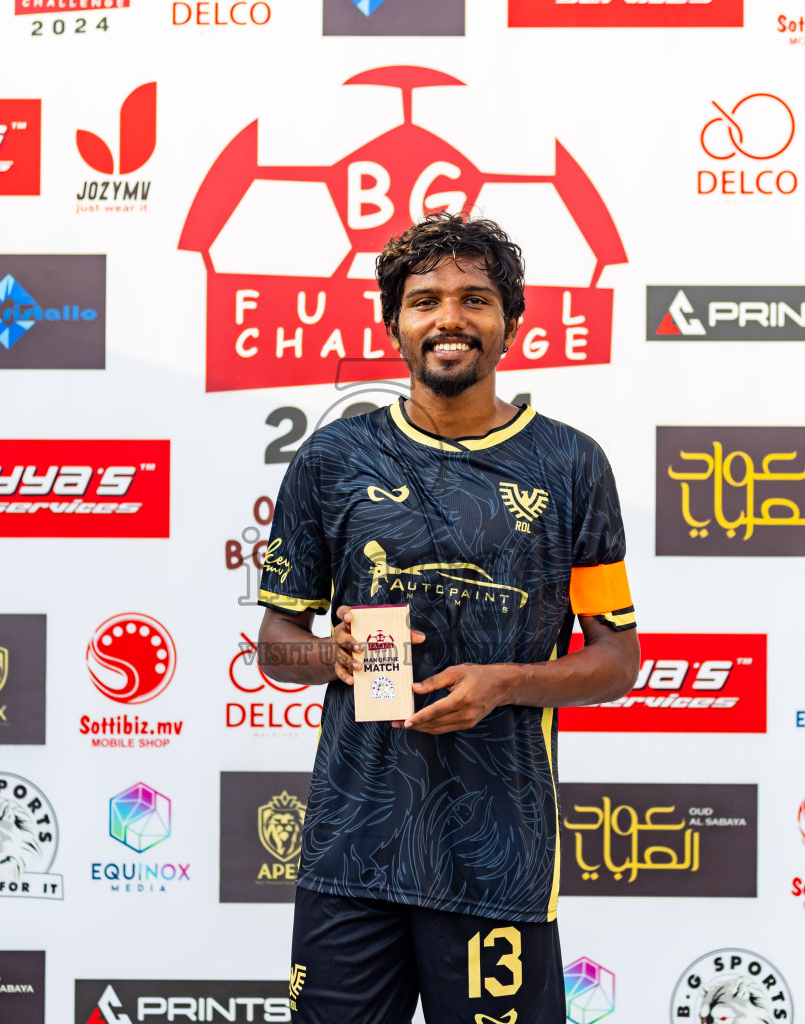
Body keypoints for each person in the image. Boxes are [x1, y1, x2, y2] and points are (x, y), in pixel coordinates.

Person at [257, 213, 639, 1024]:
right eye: (425, 300)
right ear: (392, 321)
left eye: (476, 299)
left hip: (498, 853)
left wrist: (508, 684)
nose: (450, 319)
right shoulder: (333, 460)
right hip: (351, 850)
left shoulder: (572, 465)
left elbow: (617, 660)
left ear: (512, 321)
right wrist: (334, 656)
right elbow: (276, 648)